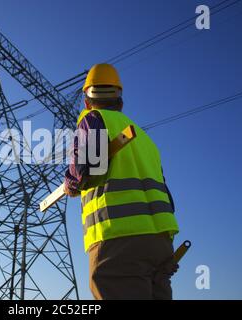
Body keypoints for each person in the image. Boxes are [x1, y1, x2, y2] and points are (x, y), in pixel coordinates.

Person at [64, 63, 179, 300]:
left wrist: (69, 185)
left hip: (119, 242)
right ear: (121, 103)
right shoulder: (145, 139)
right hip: (161, 245)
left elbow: (82, 173)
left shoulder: (93, 118)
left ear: (86, 102)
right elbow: (167, 197)